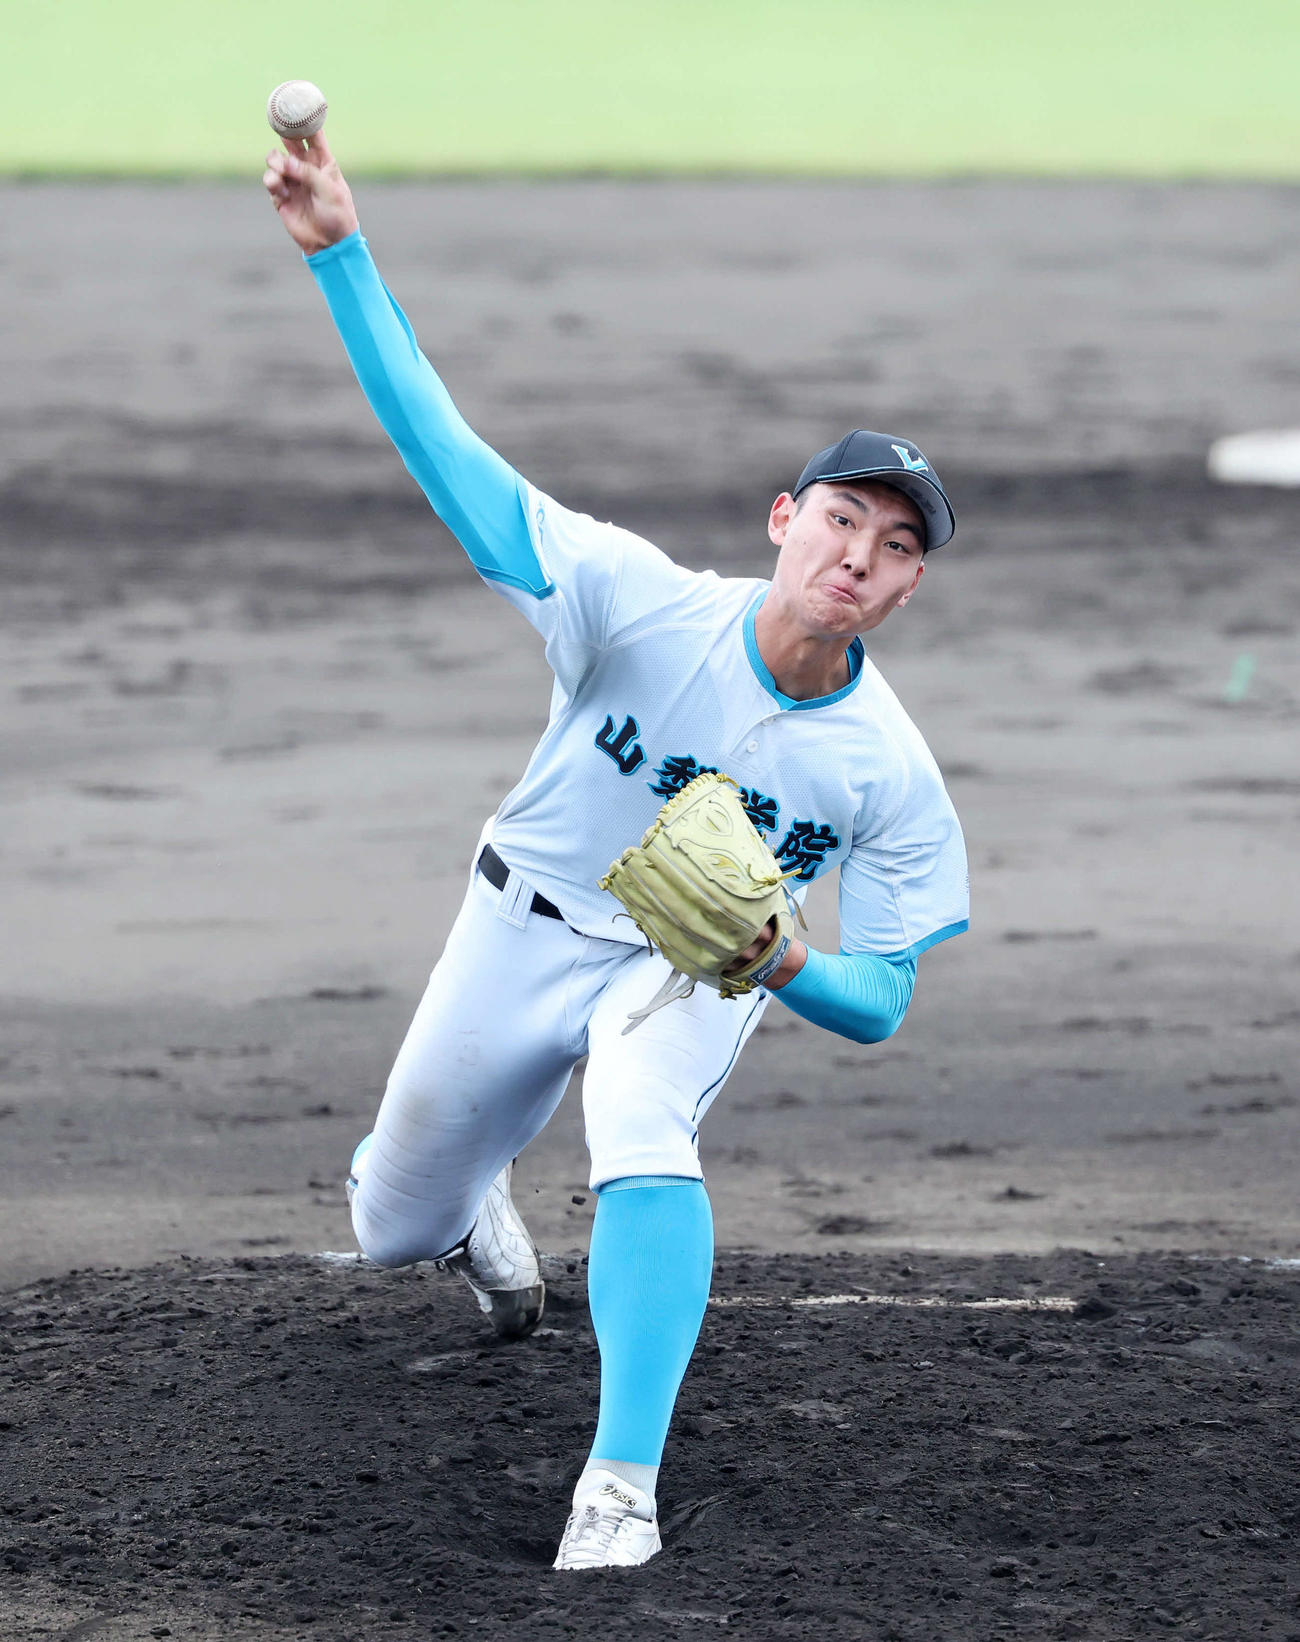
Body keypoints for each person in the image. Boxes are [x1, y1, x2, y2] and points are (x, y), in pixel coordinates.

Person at [262, 133, 969, 1572]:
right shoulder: (636, 603)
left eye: (896, 546)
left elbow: (884, 998)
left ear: (908, 583)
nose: (859, 556)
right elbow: (449, 457)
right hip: (520, 924)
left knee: (645, 1108)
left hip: (691, 967)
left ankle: (619, 1483)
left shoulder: (886, 769)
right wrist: (342, 252)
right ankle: (465, 1217)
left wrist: (784, 960)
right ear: (787, 520)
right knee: (391, 1220)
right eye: (842, 519)